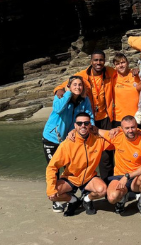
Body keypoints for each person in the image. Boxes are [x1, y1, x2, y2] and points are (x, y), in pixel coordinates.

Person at [52, 50, 115, 181]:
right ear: (91, 61)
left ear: (104, 61)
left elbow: (124, 73)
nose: (98, 63)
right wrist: (58, 90)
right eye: (96, 60)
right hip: (86, 121)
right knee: (84, 151)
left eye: (101, 60)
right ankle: (83, 181)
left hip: (105, 118)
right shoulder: (82, 75)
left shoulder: (110, 72)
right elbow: (65, 85)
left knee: (106, 155)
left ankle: (107, 183)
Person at [43, 75, 95, 209]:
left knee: (70, 169)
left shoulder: (84, 100)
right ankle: (56, 198)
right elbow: (58, 109)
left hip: (69, 139)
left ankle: (70, 195)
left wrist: (91, 128)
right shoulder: (60, 96)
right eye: (74, 85)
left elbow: (89, 116)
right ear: (69, 86)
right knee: (54, 169)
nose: (78, 87)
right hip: (52, 138)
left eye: (80, 85)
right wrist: (67, 94)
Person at [46, 112, 111, 216]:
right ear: (75, 125)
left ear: (90, 125)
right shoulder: (67, 144)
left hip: (89, 177)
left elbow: (118, 139)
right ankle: (73, 201)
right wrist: (50, 188)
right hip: (71, 178)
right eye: (79, 123)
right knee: (53, 194)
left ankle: (87, 199)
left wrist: (99, 131)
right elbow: (52, 167)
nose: (83, 126)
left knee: (103, 190)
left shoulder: (98, 140)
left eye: (86, 123)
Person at [100, 115, 141, 217]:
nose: (130, 130)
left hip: (135, 178)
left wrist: (128, 176)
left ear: (136, 126)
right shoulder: (116, 136)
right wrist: (72, 132)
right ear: (122, 128)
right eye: (127, 128)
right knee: (112, 198)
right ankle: (122, 198)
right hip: (119, 176)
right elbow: (96, 130)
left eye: (133, 127)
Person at [112, 53, 141, 127]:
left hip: (137, 117)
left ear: (127, 63)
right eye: (117, 64)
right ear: (115, 66)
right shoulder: (113, 77)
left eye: (123, 62)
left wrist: (139, 69)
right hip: (119, 118)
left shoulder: (136, 74)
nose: (121, 65)